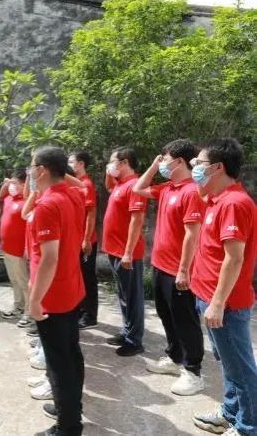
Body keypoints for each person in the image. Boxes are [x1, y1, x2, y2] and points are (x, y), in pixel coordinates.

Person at [188, 139, 257, 436]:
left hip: (226, 304)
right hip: (209, 297)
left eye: (199, 163)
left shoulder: (234, 203)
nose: (194, 167)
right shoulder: (216, 199)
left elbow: (234, 258)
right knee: (228, 363)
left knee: (241, 368)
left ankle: (249, 426)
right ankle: (231, 412)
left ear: (217, 167)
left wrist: (217, 303)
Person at [133, 139, 206, 396]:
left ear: (179, 162)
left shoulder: (192, 191)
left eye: (164, 159)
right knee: (166, 315)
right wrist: (154, 166)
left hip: (178, 269)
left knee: (185, 320)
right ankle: (175, 358)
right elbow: (138, 188)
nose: (162, 163)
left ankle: (193, 371)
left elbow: (192, 234)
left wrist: (184, 269)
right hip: (160, 265)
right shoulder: (168, 188)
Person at [28, 146, 86, 436]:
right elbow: (71, 181)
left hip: (54, 297)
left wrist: (34, 300)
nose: (29, 172)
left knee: (58, 364)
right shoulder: (73, 195)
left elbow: (49, 259)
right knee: (71, 355)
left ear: (41, 170)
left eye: (32, 167)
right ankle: (71, 408)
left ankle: (68, 427)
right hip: (71, 288)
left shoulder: (47, 206)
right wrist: (59, 171)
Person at [102, 146, 148, 356]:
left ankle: (134, 340)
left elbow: (137, 220)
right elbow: (108, 185)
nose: (109, 165)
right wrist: (109, 171)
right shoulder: (120, 184)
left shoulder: (135, 186)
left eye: (112, 161)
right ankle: (126, 330)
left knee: (133, 297)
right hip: (115, 250)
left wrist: (128, 252)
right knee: (123, 294)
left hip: (126, 253)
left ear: (124, 162)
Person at [68, 151, 99, 330]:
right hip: (74, 240)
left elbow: (91, 214)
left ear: (80, 164)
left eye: (71, 161)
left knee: (88, 278)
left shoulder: (86, 184)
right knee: (77, 277)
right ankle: (80, 310)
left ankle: (90, 316)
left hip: (85, 241)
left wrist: (86, 239)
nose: (69, 164)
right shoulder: (73, 184)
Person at [0, 170, 29, 322]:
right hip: (7, 248)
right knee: (14, 280)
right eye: (11, 183)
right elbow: (1, 194)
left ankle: (29, 313)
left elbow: (30, 229)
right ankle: (19, 306)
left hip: (18, 250)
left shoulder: (27, 202)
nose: (11, 186)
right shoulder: (9, 198)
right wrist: (7, 183)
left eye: (15, 183)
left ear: (24, 185)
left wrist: (27, 248)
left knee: (23, 281)